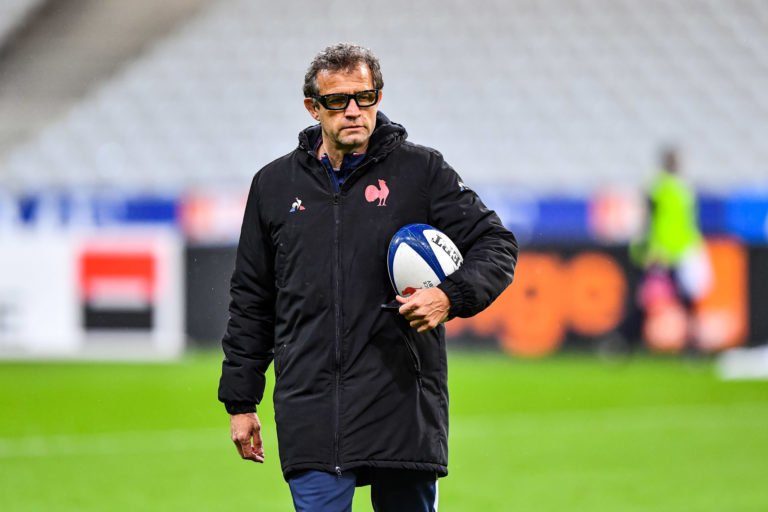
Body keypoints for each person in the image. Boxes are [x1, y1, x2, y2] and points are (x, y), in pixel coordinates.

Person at [218, 43, 518, 512]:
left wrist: (449, 296)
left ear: (379, 96)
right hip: (311, 407)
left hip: (401, 402)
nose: (354, 111)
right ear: (313, 107)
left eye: (366, 97)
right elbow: (252, 299)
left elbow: (496, 244)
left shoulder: (422, 172)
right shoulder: (273, 186)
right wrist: (241, 400)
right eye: (338, 100)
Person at [629, 146, 711, 353]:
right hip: (665, 251)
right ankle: (631, 339)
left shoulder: (681, 188)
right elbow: (652, 221)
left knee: (685, 298)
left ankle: (691, 343)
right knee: (652, 296)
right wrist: (654, 247)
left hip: (682, 250)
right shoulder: (659, 188)